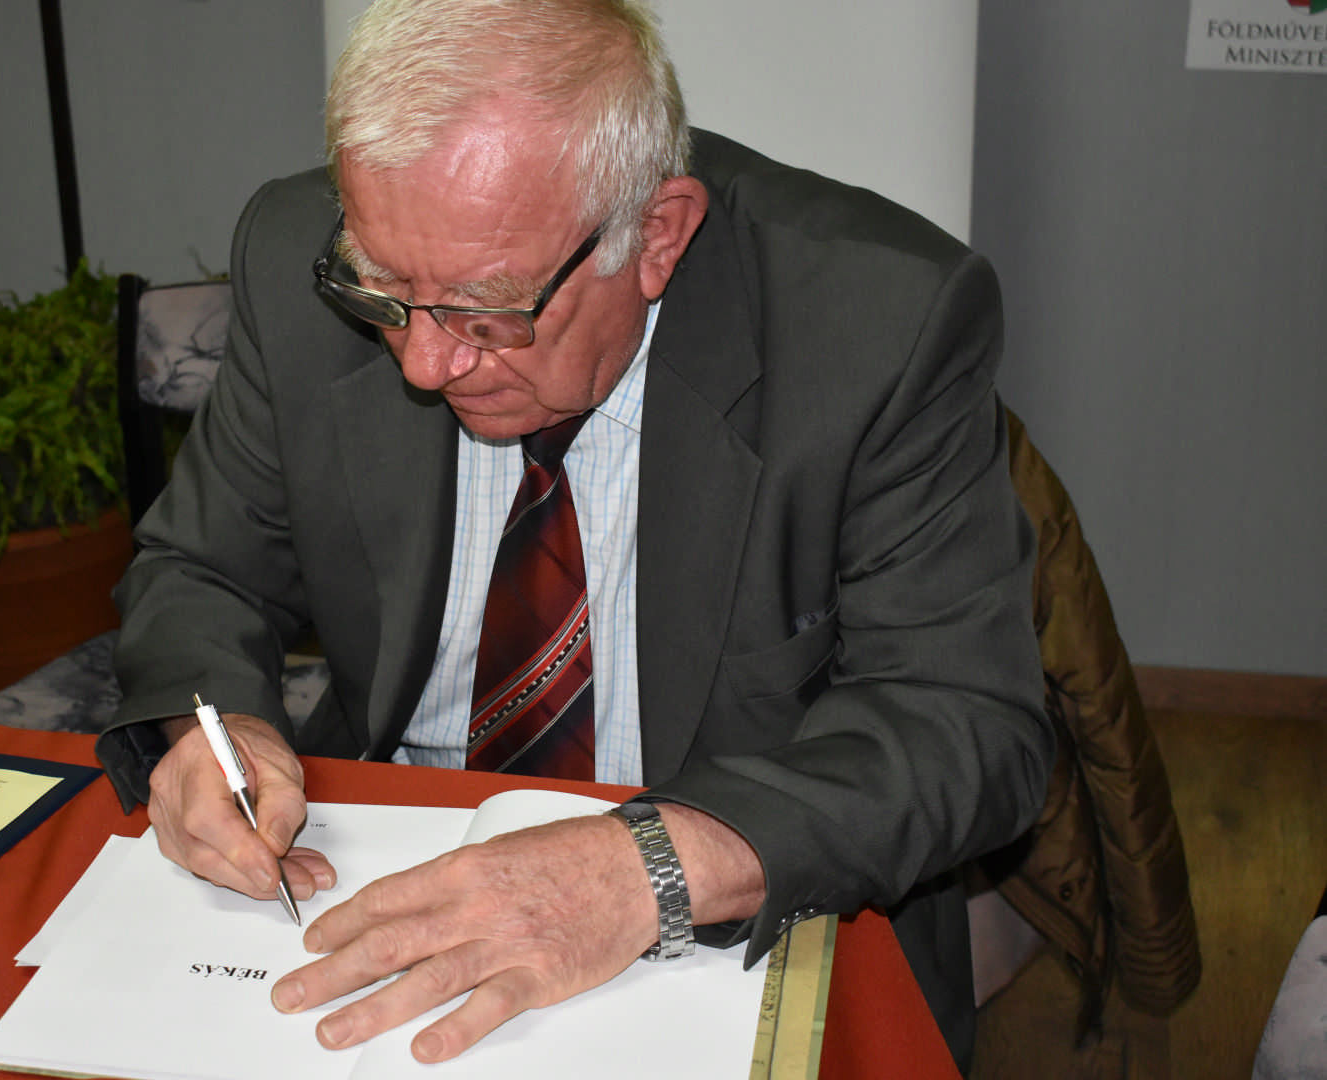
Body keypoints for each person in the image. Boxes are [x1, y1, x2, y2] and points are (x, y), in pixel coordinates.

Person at [96, 0, 1053, 1069]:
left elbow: (969, 721)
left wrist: (647, 867)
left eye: (487, 309)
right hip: (393, 863)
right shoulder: (293, 251)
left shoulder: (878, 320)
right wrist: (218, 727)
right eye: (384, 289)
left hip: (735, 912)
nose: (425, 364)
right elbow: (203, 566)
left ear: (657, 239)